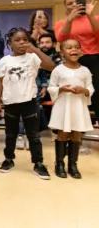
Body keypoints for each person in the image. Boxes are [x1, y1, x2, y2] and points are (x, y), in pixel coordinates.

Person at [0, 27, 55, 180]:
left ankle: (38, 163)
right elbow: (0, 82)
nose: (22, 43)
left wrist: (35, 49)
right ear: (10, 43)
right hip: (10, 103)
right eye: (17, 40)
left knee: (34, 135)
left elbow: (50, 66)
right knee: (10, 134)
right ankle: (9, 159)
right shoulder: (4, 61)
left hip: (30, 102)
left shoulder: (33, 57)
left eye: (25, 40)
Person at [48, 39, 94, 179]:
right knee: (62, 134)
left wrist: (84, 90)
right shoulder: (58, 70)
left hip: (78, 107)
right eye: (69, 48)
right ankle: (59, 164)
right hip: (64, 106)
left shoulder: (85, 70)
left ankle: (72, 165)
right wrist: (60, 89)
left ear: (81, 51)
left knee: (76, 135)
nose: (73, 50)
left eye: (76, 47)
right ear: (62, 52)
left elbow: (90, 87)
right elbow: (51, 87)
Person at [55, 0, 99, 122]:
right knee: (73, 94)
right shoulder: (61, 23)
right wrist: (70, 20)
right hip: (73, 61)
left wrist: (90, 16)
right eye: (70, 3)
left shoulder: (95, 18)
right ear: (66, 7)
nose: (74, 5)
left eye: (77, 1)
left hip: (95, 59)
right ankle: (73, 131)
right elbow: (62, 40)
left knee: (97, 94)